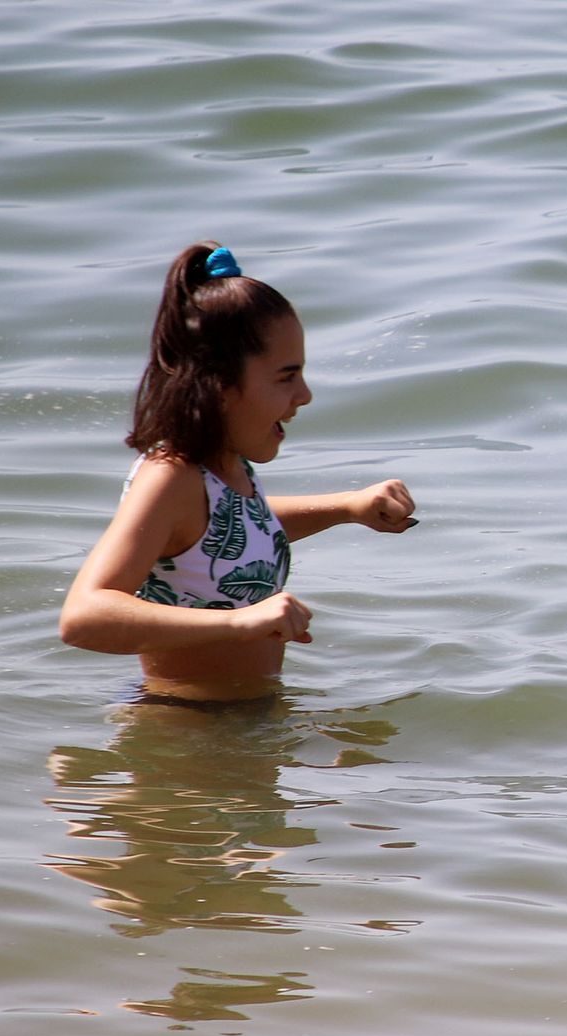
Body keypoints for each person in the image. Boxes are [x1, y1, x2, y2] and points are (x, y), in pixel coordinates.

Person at [60, 242, 417, 699]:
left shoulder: (226, 468)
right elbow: (83, 617)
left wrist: (346, 508)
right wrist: (239, 621)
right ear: (221, 386)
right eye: (286, 377)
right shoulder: (170, 477)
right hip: (185, 731)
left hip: (242, 722)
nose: (305, 394)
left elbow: (237, 534)